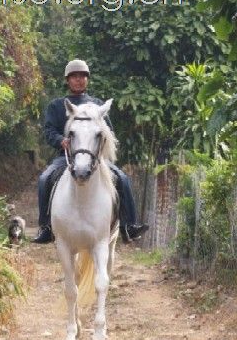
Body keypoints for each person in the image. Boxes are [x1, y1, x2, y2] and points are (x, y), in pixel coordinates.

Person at [32, 59, 149, 244]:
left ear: (87, 80)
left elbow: (108, 132)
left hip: (95, 158)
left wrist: (100, 149)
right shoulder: (56, 106)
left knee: (123, 179)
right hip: (66, 157)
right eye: (74, 77)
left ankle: (129, 226)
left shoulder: (97, 105)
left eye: (82, 77)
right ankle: (46, 226)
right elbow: (48, 131)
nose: (79, 80)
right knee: (44, 179)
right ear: (68, 80)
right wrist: (60, 141)